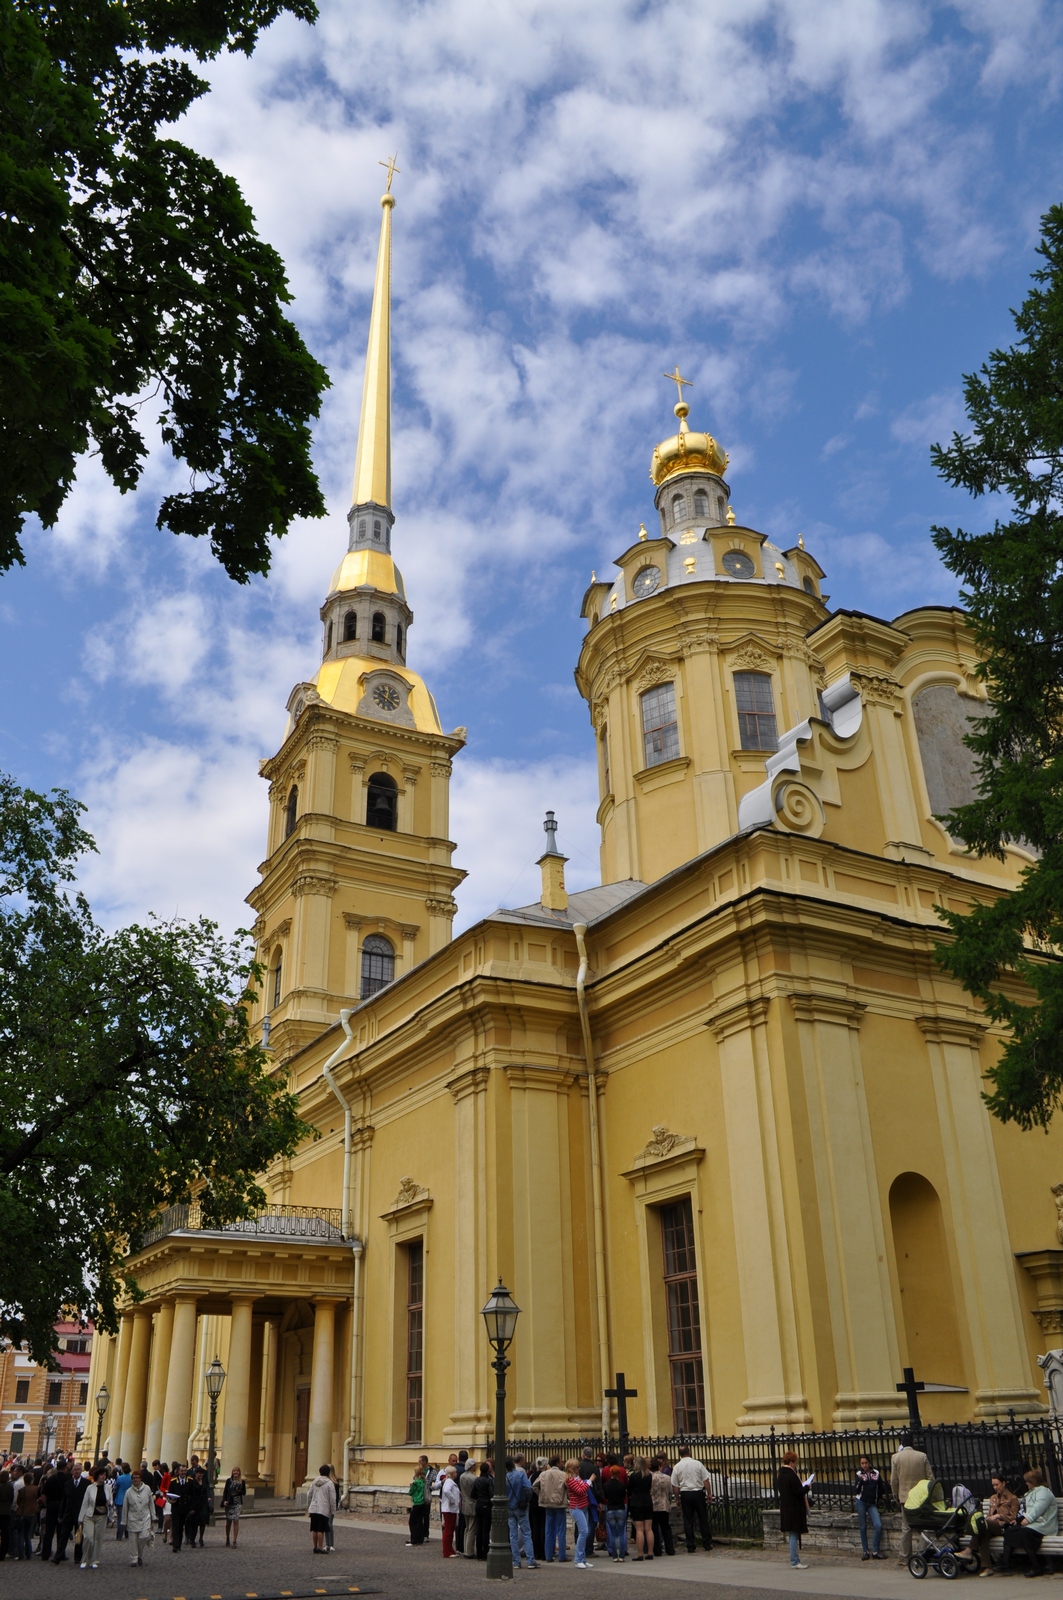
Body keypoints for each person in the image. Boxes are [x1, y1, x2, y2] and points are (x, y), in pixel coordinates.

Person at [1001, 1468, 1058, 1578]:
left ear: (1033, 1482)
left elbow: (1038, 1508)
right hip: (1034, 1524)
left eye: (1028, 1481)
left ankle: (1036, 1566)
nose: (1026, 1483)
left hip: (1044, 1525)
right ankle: (1005, 1563)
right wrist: (1018, 1520)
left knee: (1025, 1534)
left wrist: (1027, 1519)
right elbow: (1025, 1508)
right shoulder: (1031, 1492)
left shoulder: (1044, 1492)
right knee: (1010, 1531)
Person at [891, 1431, 931, 1565]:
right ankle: (923, 1553)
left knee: (906, 1528)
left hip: (905, 1498)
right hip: (921, 1497)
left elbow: (894, 1480)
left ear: (902, 1443)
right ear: (913, 1443)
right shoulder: (922, 1456)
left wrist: (895, 1495)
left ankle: (904, 1556)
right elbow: (930, 1477)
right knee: (924, 1526)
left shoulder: (896, 1458)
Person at [973, 1473, 1019, 1574]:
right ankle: (987, 1567)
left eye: (997, 1484)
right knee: (983, 1533)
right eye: (993, 1485)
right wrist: (989, 1517)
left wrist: (999, 1516)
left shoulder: (1012, 1498)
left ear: (1003, 1483)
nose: (995, 1487)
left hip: (1004, 1526)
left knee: (982, 1525)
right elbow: (990, 1514)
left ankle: (970, 1549)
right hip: (991, 1526)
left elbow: (1014, 1517)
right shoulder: (993, 1498)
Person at [672, 1447, 713, 1553]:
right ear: (689, 1452)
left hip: (685, 1493)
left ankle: (690, 1545)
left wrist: (677, 1498)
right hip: (698, 1492)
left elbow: (675, 1485)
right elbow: (706, 1480)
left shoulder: (677, 1467)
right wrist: (709, 1493)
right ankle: (707, 1543)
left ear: (680, 1454)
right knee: (702, 1518)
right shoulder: (698, 1464)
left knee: (688, 1520)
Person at [776, 1450, 809, 1570]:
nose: (796, 1465)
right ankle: (794, 1561)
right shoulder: (791, 1475)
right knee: (794, 1535)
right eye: (795, 1462)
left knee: (792, 1535)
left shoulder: (781, 1475)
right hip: (794, 1509)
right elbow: (797, 1492)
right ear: (791, 1462)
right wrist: (807, 1487)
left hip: (786, 1508)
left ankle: (794, 1559)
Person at [506, 1455, 536, 1569]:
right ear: (513, 1464)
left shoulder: (505, 1477)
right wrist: (526, 1500)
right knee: (526, 1533)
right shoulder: (520, 1475)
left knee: (513, 1535)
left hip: (510, 1507)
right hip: (521, 1506)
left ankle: (516, 1561)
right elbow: (528, 1488)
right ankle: (530, 1560)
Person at [536, 1455, 569, 1563]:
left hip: (547, 1504)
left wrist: (542, 1495)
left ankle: (548, 1556)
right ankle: (562, 1556)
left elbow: (534, 1486)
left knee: (549, 1530)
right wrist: (566, 1497)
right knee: (561, 1530)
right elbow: (568, 1487)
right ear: (558, 1463)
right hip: (559, 1504)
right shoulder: (563, 1474)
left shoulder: (543, 1474)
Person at [77, 1467, 110, 1569]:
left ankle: (95, 1560)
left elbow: (110, 1501)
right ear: (97, 1476)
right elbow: (85, 1503)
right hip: (90, 1515)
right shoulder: (90, 1488)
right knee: (88, 1538)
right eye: (101, 1475)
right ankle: (85, 1559)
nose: (103, 1476)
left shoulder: (108, 1488)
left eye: (104, 1475)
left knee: (98, 1538)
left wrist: (109, 1504)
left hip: (102, 1516)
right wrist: (80, 1518)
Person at [855, 1456, 886, 1561]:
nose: (864, 1465)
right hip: (861, 1502)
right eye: (862, 1463)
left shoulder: (876, 1473)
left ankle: (875, 1550)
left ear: (869, 1463)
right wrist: (860, 1481)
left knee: (878, 1525)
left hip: (872, 1503)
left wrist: (879, 1498)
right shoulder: (859, 1474)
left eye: (866, 1463)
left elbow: (881, 1487)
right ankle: (865, 1551)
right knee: (863, 1526)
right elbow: (856, 1490)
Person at [565, 1458, 593, 1569]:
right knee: (584, 1531)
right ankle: (578, 1559)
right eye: (577, 1467)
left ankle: (583, 1558)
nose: (579, 1469)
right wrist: (589, 1481)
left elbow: (582, 1487)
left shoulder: (577, 1478)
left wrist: (585, 1483)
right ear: (572, 1469)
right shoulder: (570, 1480)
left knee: (585, 1532)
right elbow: (580, 1490)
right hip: (576, 1507)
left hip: (583, 1505)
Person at [124, 1469, 154, 1567]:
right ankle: (134, 1558)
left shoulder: (147, 1489)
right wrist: (124, 1521)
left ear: (141, 1479)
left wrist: (153, 1516)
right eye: (134, 1478)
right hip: (133, 1518)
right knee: (133, 1540)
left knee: (144, 1537)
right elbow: (125, 1507)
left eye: (137, 1478)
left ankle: (139, 1555)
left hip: (145, 1517)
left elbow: (151, 1503)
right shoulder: (128, 1492)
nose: (135, 1480)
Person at [307, 1465, 336, 1555]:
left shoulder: (314, 1481)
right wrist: (333, 1510)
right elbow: (332, 1498)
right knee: (321, 1529)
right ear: (328, 1472)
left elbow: (309, 1494)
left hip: (314, 1507)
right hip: (323, 1508)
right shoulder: (329, 1483)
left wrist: (309, 1505)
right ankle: (320, 1547)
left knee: (314, 1529)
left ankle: (315, 1547)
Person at [602, 1464, 628, 1561]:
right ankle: (621, 1555)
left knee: (612, 1533)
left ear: (610, 1473)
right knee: (621, 1533)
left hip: (610, 1509)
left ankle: (614, 1555)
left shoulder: (606, 1485)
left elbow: (606, 1497)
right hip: (620, 1508)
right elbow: (623, 1496)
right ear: (619, 1473)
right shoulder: (622, 1485)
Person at [651, 1456, 676, 1556]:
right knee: (666, 1527)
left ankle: (657, 1550)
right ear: (659, 1466)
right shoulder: (667, 1478)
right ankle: (670, 1549)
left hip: (653, 1505)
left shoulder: (650, 1478)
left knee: (654, 1528)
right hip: (664, 1505)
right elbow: (670, 1492)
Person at [472, 1462, 494, 1560]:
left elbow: (472, 1494)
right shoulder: (488, 1481)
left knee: (479, 1530)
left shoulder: (477, 1480)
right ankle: (485, 1553)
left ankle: (479, 1553)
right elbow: (491, 1494)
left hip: (479, 1504)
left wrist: (479, 1497)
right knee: (486, 1530)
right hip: (487, 1505)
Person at [221, 1466, 246, 1547]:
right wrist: (224, 1501)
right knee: (228, 1521)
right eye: (234, 1471)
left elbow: (244, 1492)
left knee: (236, 1520)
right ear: (232, 1472)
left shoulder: (242, 1481)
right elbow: (225, 1491)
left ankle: (234, 1540)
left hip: (237, 1503)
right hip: (229, 1502)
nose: (235, 1472)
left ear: (239, 1472)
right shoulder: (229, 1481)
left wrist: (239, 1490)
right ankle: (228, 1537)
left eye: (237, 1471)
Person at [459, 1457, 479, 1557]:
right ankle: (469, 1551)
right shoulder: (473, 1478)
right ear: (472, 1466)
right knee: (472, 1529)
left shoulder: (462, 1476)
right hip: (472, 1504)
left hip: (464, 1503)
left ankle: (466, 1549)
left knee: (467, 1528)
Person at [440, 1465, 461, 1557]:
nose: (456, 1474)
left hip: (450, 1509)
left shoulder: (450, 1481)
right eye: (455, 1472)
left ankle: (449, 1550)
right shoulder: (449, 1482)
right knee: (448, 1531)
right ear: (452, 1474)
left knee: (449, 1530)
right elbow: (446, 1491)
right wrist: (453, 1500)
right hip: (449, 1509)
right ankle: (447, 1551)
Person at [407, 1466, 429, 1546]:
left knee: (412, 1522)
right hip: (423, 1502)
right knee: (420, 1521)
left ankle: (413, 1539)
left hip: (416, 1502)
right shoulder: (423, 1481)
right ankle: (420, 1538)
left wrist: (411, 1486)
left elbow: (410, 1492)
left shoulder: (416, 1482)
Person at [113, 1460, 132, 1540]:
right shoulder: (131, 1477)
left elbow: (115, 1488)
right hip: (129, 1499)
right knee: (128, 1517)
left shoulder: (120, 1478)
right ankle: (127, 1533)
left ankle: (119, 1535)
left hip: (120, 1499)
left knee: (120, 1518)